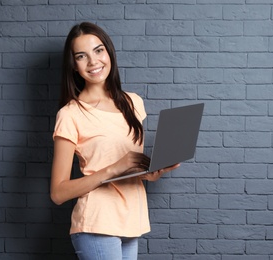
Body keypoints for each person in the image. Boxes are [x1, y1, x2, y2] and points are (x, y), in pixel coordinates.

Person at [50, 22, 179, 260]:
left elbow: (128, 169)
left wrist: (150, 173)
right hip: (97, 222)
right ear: (74, 66)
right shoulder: (71, 114)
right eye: (82, 56)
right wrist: (112, 169)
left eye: (98, 51)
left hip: (131, 219)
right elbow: (58, 192)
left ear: (109, 52)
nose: (93, 62)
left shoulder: (132, 103)